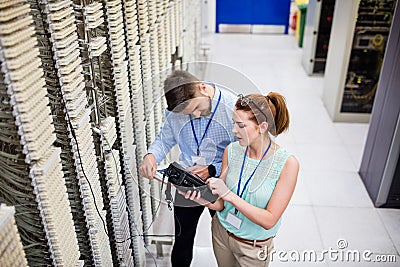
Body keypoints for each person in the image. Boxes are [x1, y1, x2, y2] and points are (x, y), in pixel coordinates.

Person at [183, 92, 299, 266]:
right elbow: (221, 204)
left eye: (240, 125)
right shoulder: (231, 151)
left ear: (262, 127)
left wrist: (229, 194)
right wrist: (198, 197)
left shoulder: (287, 164)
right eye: (233, 123)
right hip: (221, 235)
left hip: (253, 248)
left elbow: (269, 220)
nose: (233, 130)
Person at [139, 70, 236, 267]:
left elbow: (242, 155)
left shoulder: (232, 108)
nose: (196, 115)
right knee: (182, 240)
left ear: (202, 88)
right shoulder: (177, 110)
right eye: (189, 113)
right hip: (186, 182)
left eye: (197, 108)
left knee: (225, 238)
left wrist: (211, 169)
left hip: (220, 183)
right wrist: (151, 155)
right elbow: (165, 139)